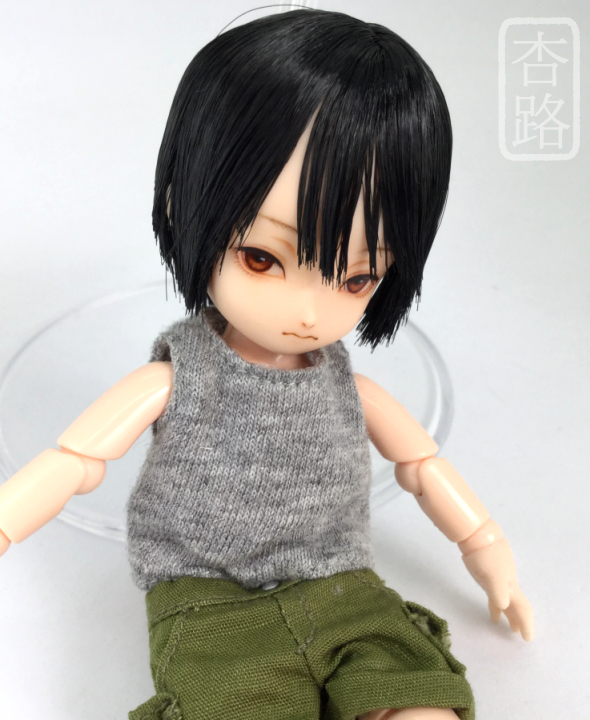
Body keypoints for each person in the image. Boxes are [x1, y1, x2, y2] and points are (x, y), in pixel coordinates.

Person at [0, 10, 533, 720]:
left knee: (416, 699)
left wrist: (485, 546)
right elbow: (75, 460)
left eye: (357, 277)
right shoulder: (182, 379)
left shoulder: (348, 391)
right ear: (185, 209)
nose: (309, 311)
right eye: (262, 258)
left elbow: (421, 467)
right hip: (208, 605)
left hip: (342, 591)